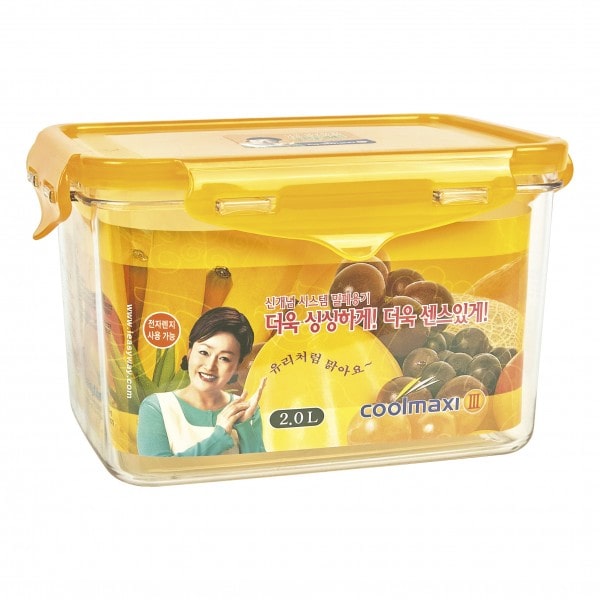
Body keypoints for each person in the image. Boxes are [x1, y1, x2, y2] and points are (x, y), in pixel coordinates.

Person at [137, 307, 266, 457]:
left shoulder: (247, 410)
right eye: (204, 352)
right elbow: (157, 467)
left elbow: (258, 467)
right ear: (190, 352)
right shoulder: (157, 407)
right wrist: (219, 437)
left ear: (237, 365)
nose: (210, 366)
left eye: (224, 358)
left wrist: (245, 426)